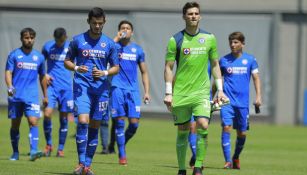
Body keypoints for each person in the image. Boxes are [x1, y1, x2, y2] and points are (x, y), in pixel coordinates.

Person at [163, 2, 228, 175]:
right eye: (190, 13)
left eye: (196, 13)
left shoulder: (209, 38)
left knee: (203, 124)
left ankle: (198, 166)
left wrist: (220, 89)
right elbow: (169, 67)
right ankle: (182, 169)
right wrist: (169, 93)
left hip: (201, 92)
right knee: (183, 131)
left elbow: (215, 65)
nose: (193, 16)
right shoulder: (175, 40)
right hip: (181, 93)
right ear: (184, 16)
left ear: (200, 16)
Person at [64, 7, 119, 175]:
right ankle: (81, 163)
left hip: (101, 89)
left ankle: (87, 166)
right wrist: (76, 67)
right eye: (94, 23)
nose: (97, 26)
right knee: (82, 121)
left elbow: (116, 67)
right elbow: (67, 61)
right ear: (88, 21)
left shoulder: (109, 43)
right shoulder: (77, 40)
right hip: (82, 87)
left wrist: (104, 72)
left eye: (100, 23)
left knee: (95, 125)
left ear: (104, 23)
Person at [219, 31, 262, 169]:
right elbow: (218, 80)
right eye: (231, 42)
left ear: (243, 44)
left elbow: (256, 78)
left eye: (236, 42)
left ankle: (236, 157)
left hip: (242, 104)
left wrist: (258, 96)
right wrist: (211, 96)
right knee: (226, 127)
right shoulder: (223, 60)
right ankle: (228, 161)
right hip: (226, 102)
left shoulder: (250, 60)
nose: (232, 45)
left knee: (242, 133)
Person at [111, 20, 150, 165]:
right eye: (122, 28)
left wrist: (147, 91)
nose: (125, 30)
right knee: (120, 122)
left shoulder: (138, 50)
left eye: (128, 28)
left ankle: (121, 143)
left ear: (132, 32)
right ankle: (122, 155)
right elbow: (107, 49)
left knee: (134, 124)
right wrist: (117, 38)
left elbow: (144, 72)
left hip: (133, 90)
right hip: (117, 88)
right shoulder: (114, 46)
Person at [5, 27, 48, 161]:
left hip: (32, 96)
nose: (29, 40)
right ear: (21, 39)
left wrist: (45, 95)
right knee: (15, 125)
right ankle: (15, 152)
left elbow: (42, 77)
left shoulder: (39, 57)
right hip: (16, 96)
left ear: (34, 39)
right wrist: (10, 86)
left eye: (31, 38)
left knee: (33, 121)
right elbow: (8, 72)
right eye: (26, 38)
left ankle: (34, 150)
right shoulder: (14, 55)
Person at [41, 27, 73, 157]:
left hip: (66, 88)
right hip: (52, 86)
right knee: (47, 114)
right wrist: (45, 74)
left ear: (65, 37)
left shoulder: (71, 47)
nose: (59, 43)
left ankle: (60, 148)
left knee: (64, 118)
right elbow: (39, 62)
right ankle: (49, 144)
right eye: (57, 40)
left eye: (61, 40)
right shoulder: (48, 47)